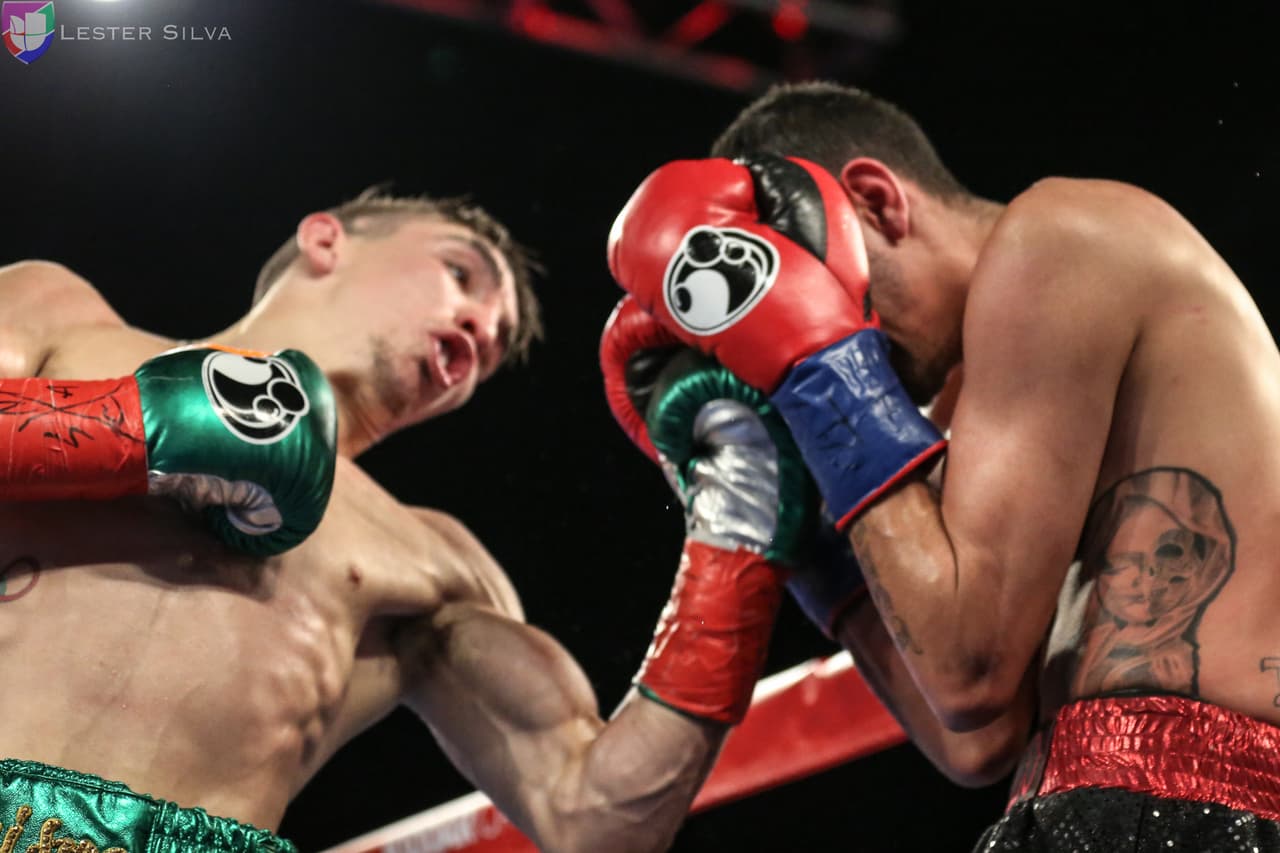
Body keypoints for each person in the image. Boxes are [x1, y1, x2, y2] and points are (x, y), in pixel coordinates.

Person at [0, 189, 817, 853]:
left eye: (494, 347)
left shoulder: (434, 562)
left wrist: (734, 534)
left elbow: (596, 817)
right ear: (327, 239)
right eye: (461, 274)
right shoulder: (66, 317)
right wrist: (137, 425)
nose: (477, 327)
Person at [606, 80, 1280, 851]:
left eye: (786, 293)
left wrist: (819, 366)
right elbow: (975, 737)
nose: (804, 355)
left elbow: (969, 672)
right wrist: (809, 532)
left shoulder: (1060, 236)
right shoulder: (984, 419)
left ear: (875, 202)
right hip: (1086, 805)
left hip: (1208, 806)